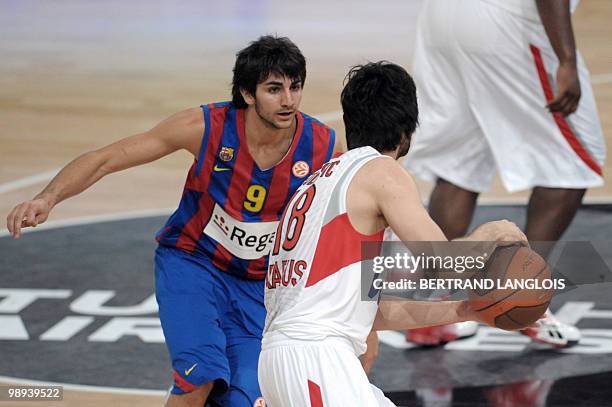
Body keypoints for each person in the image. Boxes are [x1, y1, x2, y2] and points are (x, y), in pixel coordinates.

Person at [6, 35, 338, 407]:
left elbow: (370, 208)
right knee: (198, 380)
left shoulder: (322, 147)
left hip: (257, 287)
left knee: (244, 400)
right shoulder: (205, 127)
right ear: (247, 93)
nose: (289, 100)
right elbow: (106, 158)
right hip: (192, 264)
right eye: (274, 89)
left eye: (295, 88)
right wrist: (47, 198)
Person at [258, 62, 528, 407]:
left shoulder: (323, 180)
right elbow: (441, 264)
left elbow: (377, 312)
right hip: (317, 359)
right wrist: (495, 233)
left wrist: (468, 310)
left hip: (290, 359)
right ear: (407, 131)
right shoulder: (381, 172)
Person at [403, 0, 605, 348]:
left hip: (442, 18)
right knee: (571, 165)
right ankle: (522, 302)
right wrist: (567, 60)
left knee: (459, 163)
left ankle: (434, 310)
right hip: (505, 22)